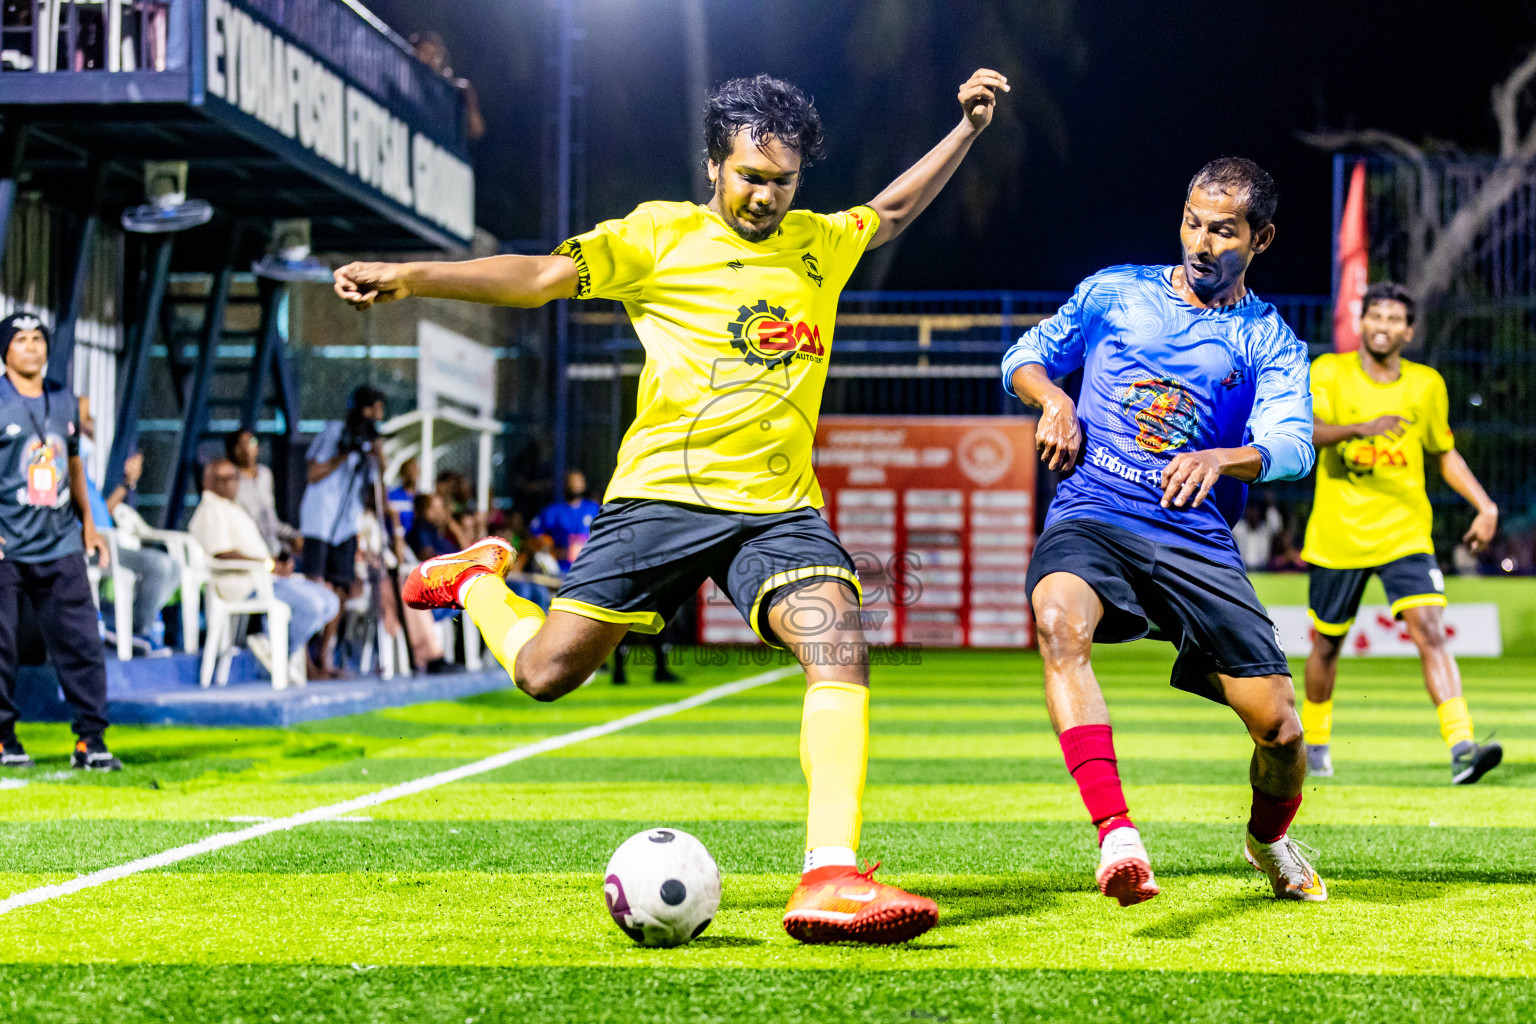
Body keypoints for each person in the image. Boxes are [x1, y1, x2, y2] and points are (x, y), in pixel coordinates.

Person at [336, 70, 1013, 945]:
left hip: (776, 511)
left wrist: (965, 129)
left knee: (837, 638)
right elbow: (540, 276)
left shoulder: (818, 244)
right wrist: (414, 276)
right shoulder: (657, 234)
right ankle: (473, 581)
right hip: (662, 497)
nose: (766, 197)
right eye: (749, 177)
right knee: (546, 673)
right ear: (713, 168)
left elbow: (888, 213)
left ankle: (829, 872)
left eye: (783, 181)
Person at [1003, 158, 1325, 906]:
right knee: (1057, 622)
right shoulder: (1116, 292)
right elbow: (1025, 356)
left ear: (1262, 238)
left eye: (1223, 229)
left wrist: (1223, 456)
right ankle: (1116, 835)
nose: (1201, 241)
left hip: (1193, 538)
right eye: (1192, 221)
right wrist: (1054, 399)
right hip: (1095, 507)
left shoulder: (1268, 341)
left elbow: (1295, 444)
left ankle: (1269, 840)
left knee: (1280, 731)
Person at [1300, 281, 1502, 784]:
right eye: (1376, 316)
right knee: (1326, 644)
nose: (1384, 326)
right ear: (1361, 322)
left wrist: (1484, 503)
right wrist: (1357, 429)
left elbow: (1443, 452)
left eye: (1395, 319)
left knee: (1431, 632)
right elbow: (1306, 431)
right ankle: (1317, 744)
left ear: (1409, 331)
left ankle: (1462, 747)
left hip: (1405, 532)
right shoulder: (1329, 372)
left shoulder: (1426, 385)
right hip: (1338, 533)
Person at [0, 313, 121, 771]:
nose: (31, 347)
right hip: (7, 545)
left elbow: (72, 465)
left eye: (38, 339)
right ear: (6, 350)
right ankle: (3, 739)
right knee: (1, 647)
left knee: (83, 643)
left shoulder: (63, 398)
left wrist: (88, 521)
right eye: (21, 340)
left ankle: (91, 739)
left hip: (60, 541)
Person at [190, 460, 340, 683]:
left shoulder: (233, 507)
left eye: (234, 478)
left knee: (330, 601)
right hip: (244, 584)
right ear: (208, 482)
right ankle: (274, 648)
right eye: (224, 479)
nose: (231, 484)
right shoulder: (211, 509)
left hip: (266, 579)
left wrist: (275, 565)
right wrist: (268, 565)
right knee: (313, 605)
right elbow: (220, 553)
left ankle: (278, 650)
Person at [299, 385, 387, 676]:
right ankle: (303, 661)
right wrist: (346, 452)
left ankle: (325, 658)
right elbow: (313, 473)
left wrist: (378, 458)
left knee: (339, 589)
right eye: (373, 411)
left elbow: (375, 490)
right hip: (319, 521)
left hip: (346, 525)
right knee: (313, 587)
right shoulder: (335, 432)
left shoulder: (370, 442)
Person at [227, 430, 301, 562]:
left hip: (273, 550)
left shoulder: (265, 474)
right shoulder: (230, 480)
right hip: (249, 552)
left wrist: (293, 536)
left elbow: (271, 520)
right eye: (241, 444)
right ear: (233, 449)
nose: (247, 448)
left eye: (251, 442)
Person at [531, 469, 601, 573]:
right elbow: (535, 534)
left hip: (589, 568)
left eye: (578, 480)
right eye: (572, 481)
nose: (575, 484)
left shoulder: (593, 508)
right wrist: (552, 551)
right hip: (561, 570)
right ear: (564, 484)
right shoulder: (553, 511)